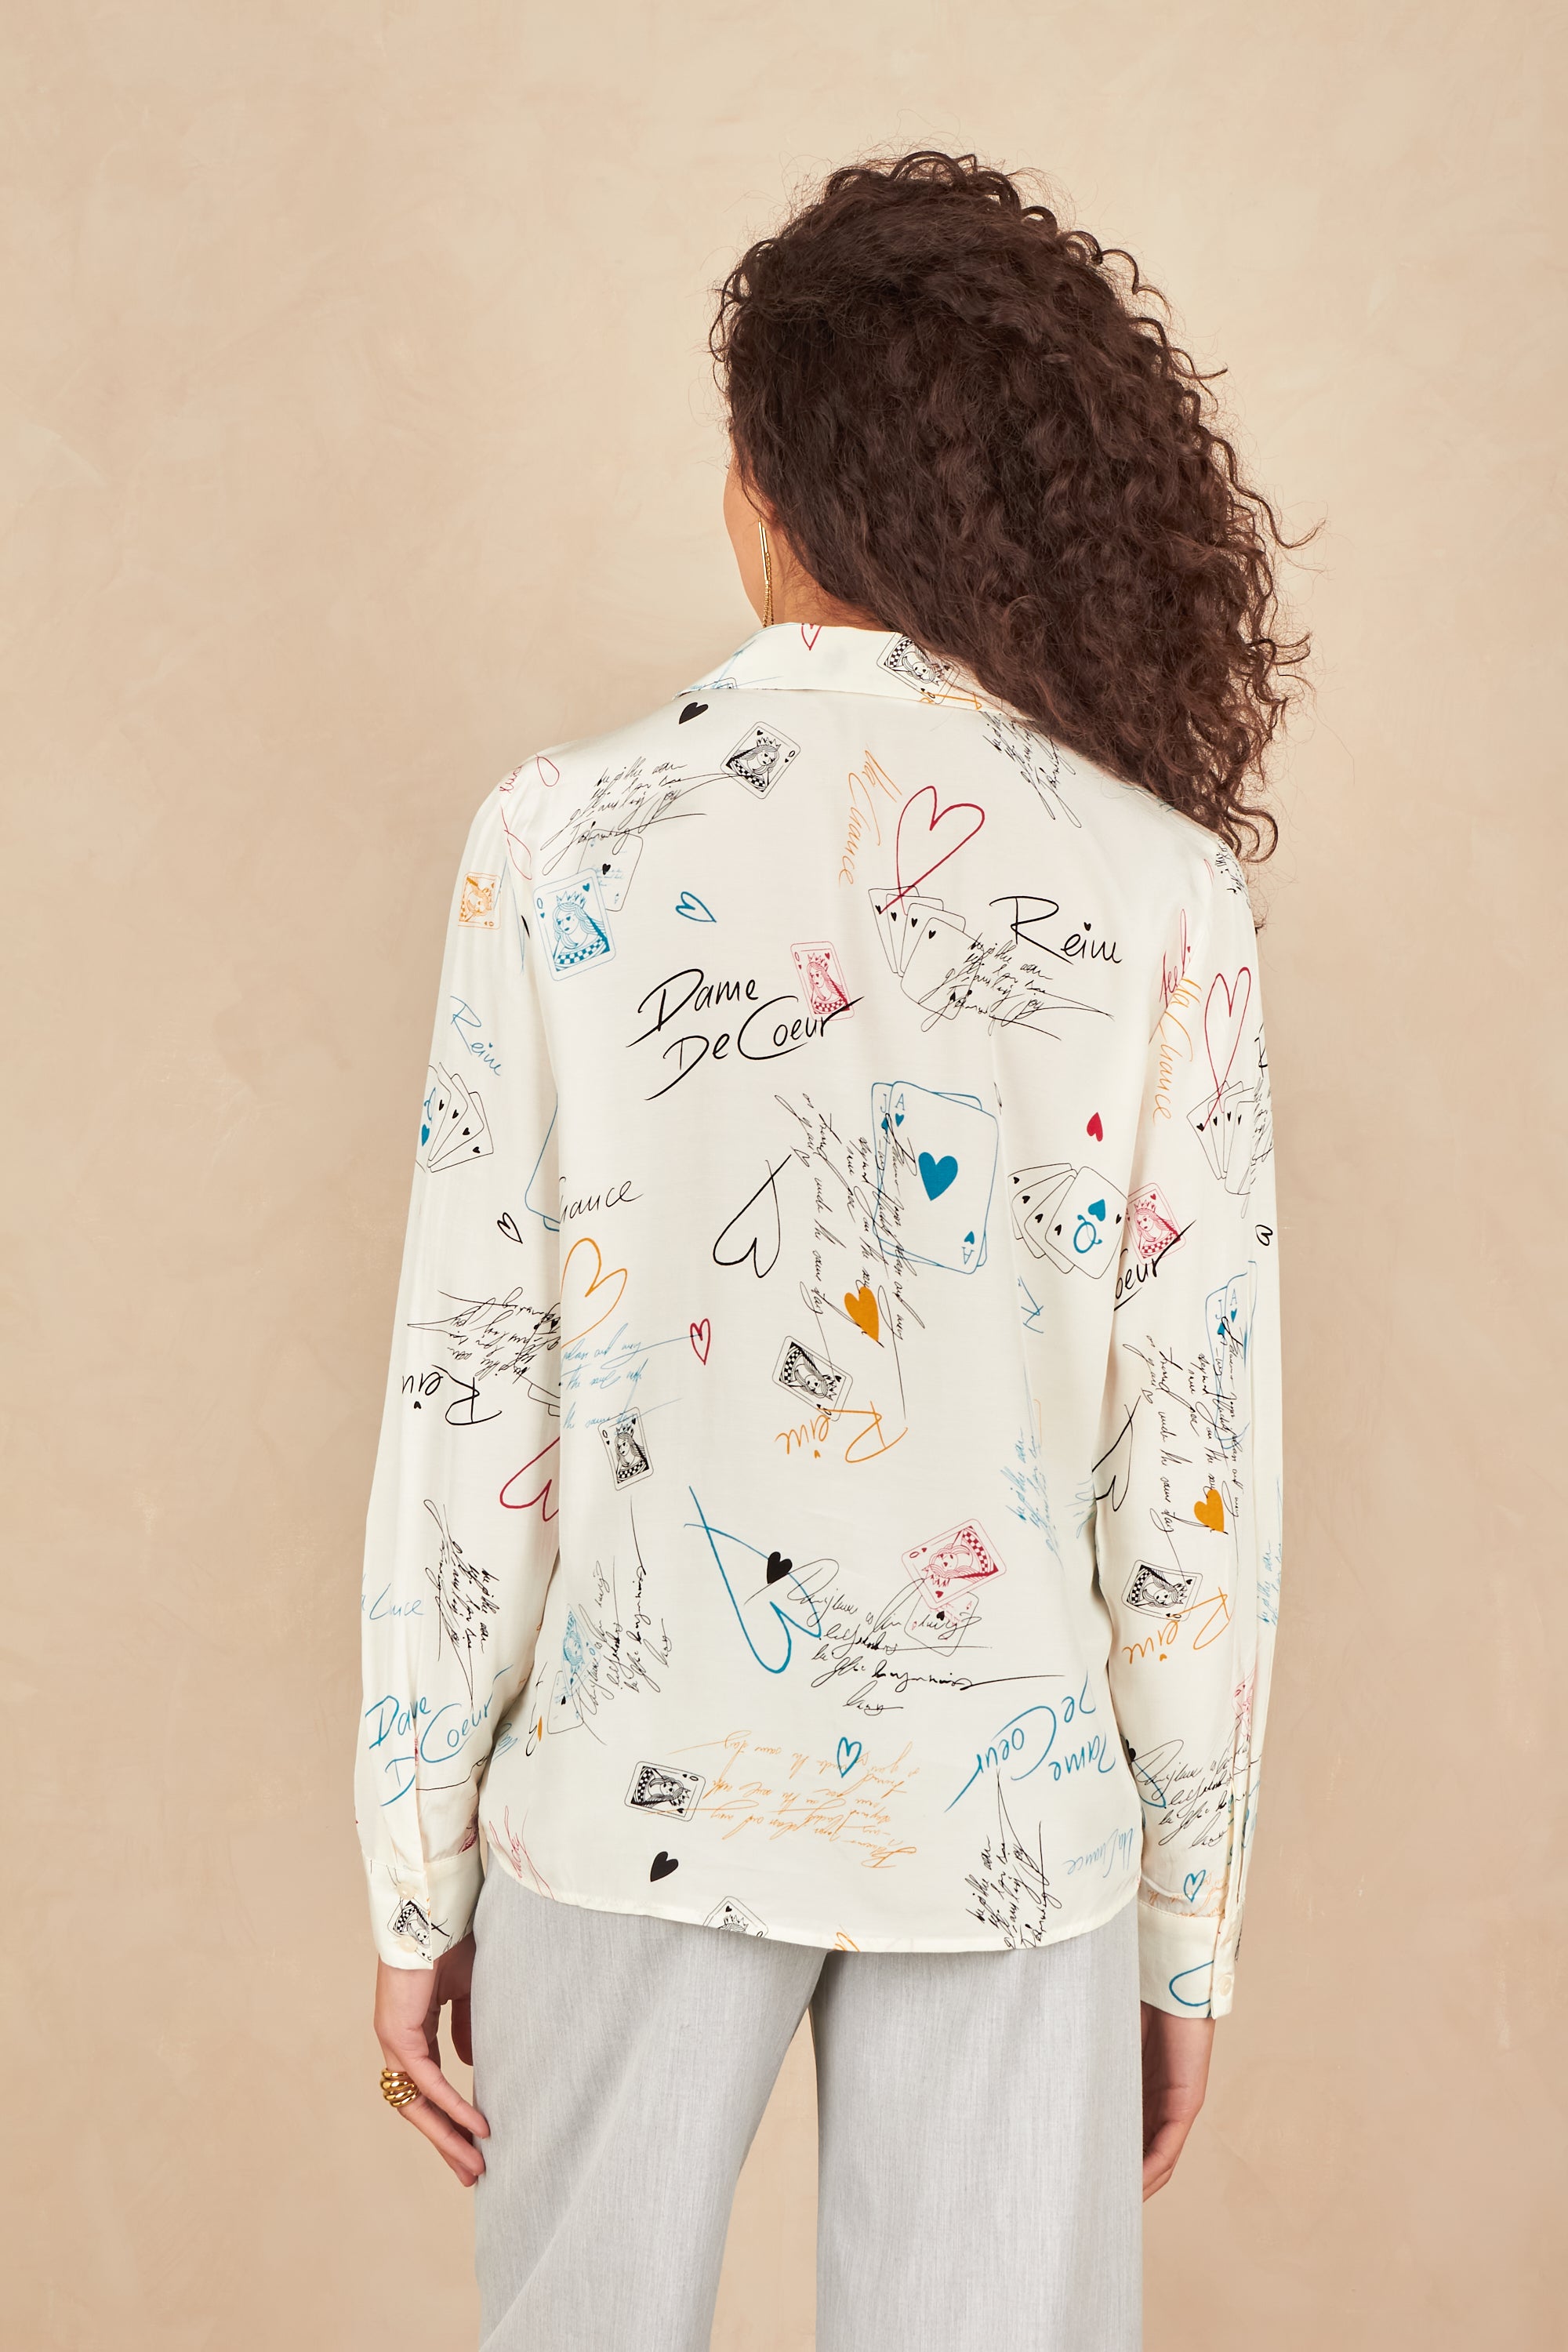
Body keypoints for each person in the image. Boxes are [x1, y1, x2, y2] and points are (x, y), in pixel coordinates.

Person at [354, 148, 1297, 2352]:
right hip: (1016, 1831)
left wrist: (415, 1870)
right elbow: (1193, 1482)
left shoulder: (558, 838)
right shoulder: (1162, 889)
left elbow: (473, 1392)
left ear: (782, 492)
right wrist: (1186, 1932)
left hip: (627, 1786)